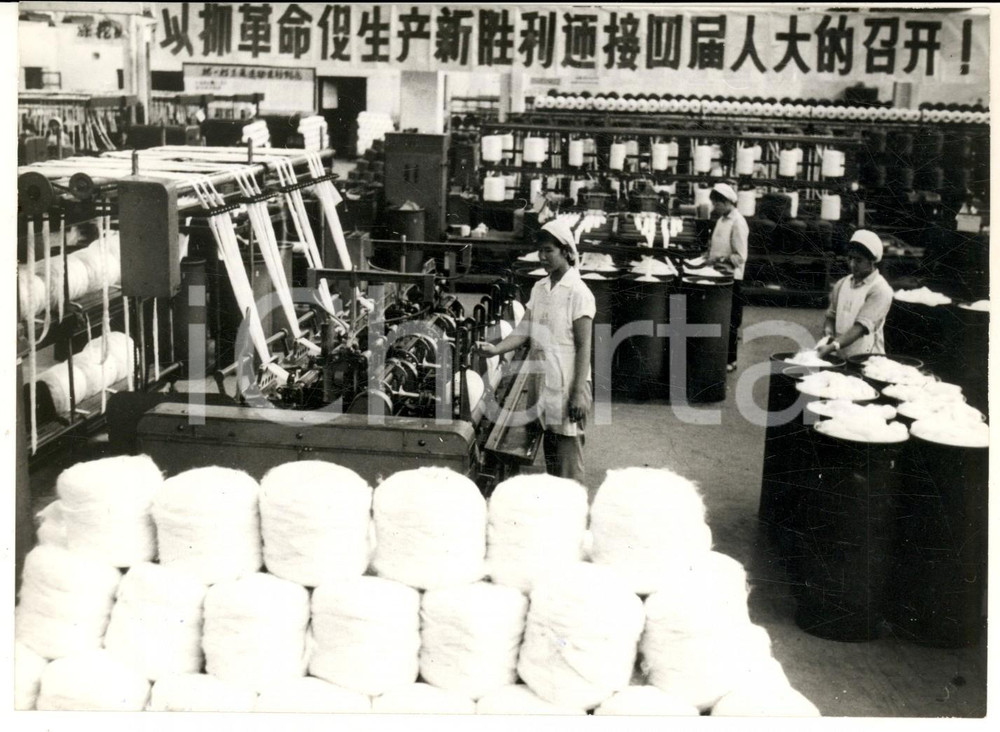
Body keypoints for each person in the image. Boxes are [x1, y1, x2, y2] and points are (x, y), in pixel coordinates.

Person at [476, 220, 595, 483]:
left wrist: (577, 394)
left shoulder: (579, 293)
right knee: (552, 458)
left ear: (566, 251)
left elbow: (585, 345)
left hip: (568, 382)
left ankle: (574, 518)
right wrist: (495, 349)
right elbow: (523, 331)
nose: (542, 257)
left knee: (568, 464)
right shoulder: (540, 288)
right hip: (543, 379)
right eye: (540, 251)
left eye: (548, 251)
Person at [816, 230, 893, 359]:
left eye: (858, 260)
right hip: (840, 356)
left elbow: (860, 328)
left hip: (868, 360)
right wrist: (828, 332)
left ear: (872, 261)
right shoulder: (842, 284)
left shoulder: (880, 289)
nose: (852, 264)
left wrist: (832, 346)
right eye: (850, 258)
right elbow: (831, 316)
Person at [705, 182, 749, 372]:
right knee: (719, 318)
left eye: (716, 203)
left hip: (732, 279)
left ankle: (731, 360)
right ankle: (719, 357)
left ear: (726, 201)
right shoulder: (722, 219)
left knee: (730, 320)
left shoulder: (738, 222)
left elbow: (740, 257)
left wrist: (719, 259)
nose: (715, 207)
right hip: (718, 276)